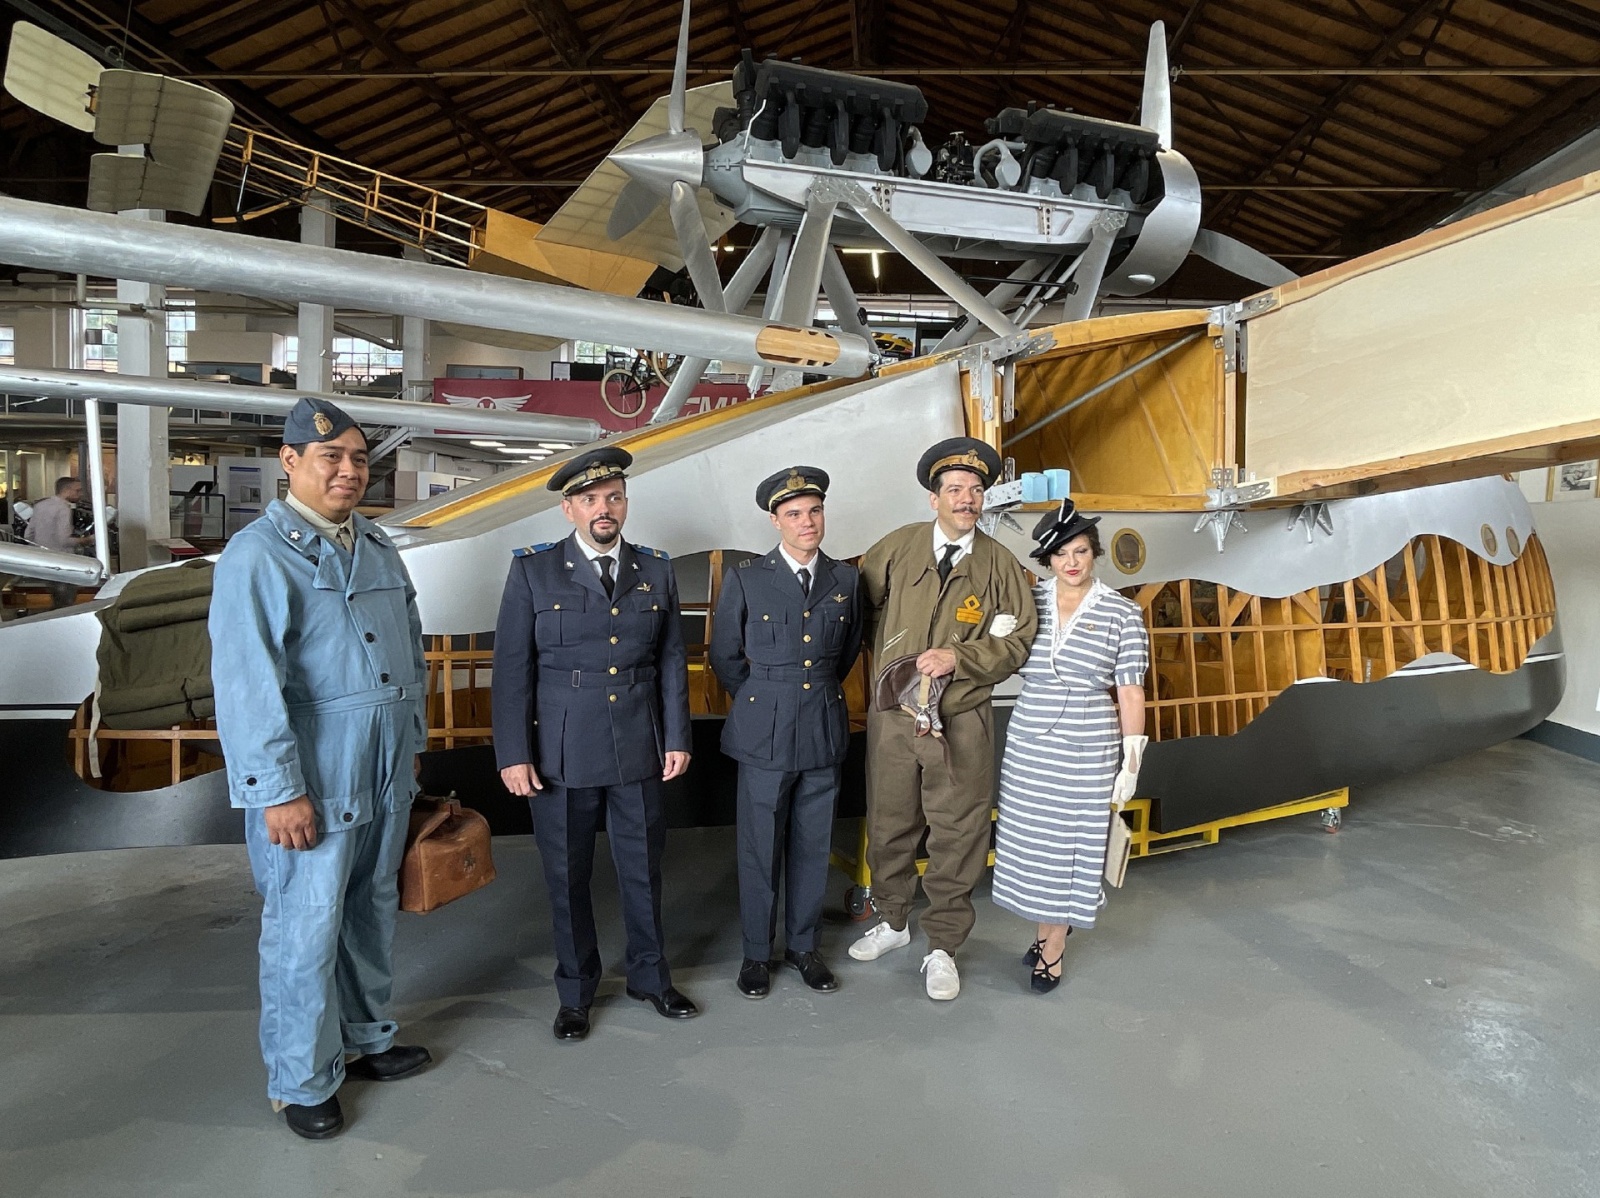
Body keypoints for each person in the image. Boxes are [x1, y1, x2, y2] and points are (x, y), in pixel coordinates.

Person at [209, 398, 432, 1141]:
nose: (347, 470)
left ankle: (367, 1040)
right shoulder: (257, 556)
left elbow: (410, 646)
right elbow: (247, 685)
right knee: (304, 929)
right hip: (314, 778)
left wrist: (413, 745)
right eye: (330, 457)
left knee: (369, 912)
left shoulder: (375, 544)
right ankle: (300, 1080)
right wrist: (278, 793)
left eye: (359, 459)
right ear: (291, 462)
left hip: (383, 768)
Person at [492, 446, 698, 1042]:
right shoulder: (534, 570)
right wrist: (513, 753)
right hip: (560, 749)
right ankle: (576, 993)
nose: (602, 509)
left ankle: (650, 978)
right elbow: (513, 670)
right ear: (568, 509)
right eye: (589, 499)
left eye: (613, 497)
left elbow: (670, 661)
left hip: (638, 742)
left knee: (642, 867)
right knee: (566, 873)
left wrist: (677, 735)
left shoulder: (654, 568)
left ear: (626, 504)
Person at [850, 437, 1037, 1000]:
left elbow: (1020, 641)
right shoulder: (893, 550)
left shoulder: (1000, 565)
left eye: (976, 490)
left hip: (961, 721)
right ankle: (894, 920)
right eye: (955, 489)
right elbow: (861, 614)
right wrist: (892, 672)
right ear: (933, 498)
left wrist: (964, 658)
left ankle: (943, 947)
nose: (967, 500)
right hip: (894, 721)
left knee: (958, 831)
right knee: (889, 821)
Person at [709, 467, 864, 999]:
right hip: (764, 727)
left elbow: (844, 655)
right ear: (776, 521)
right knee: (759, 846)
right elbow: (724, 655)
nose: (807, 522)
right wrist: (762, 700)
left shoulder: (845, 580)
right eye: (794, 514)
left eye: (814, 511)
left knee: (812, 842)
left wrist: (809, 692)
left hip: (821, 723)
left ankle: (803, 947)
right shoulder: (748, 578)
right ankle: (757, 953)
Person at [991, 500, 1150, 993]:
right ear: (1048, 560)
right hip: (1030, 736)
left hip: (1087, 740)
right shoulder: (1027, 603)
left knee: (1069, 843)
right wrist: (994, 637)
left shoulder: (1121, 612)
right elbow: (999, 660)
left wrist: (1132, 758)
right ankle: (1046, 929)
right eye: (1061, 554)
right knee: (1032, 839)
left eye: (1080, 551)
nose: (1072, 562)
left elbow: (1129, 689)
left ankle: (1053, 945)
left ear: (1094, 553)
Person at [26, 476, 90, 609]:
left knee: (53, 598)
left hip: (43, 559)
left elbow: (28, 534)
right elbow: (64, 540)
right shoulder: (63, 509)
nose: (80, 494)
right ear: (67, 490)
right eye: (78, 490)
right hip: (62, 561)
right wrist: (87, 540)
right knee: (65, 603)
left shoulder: (40, 505)